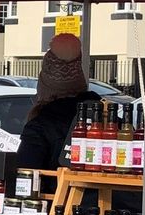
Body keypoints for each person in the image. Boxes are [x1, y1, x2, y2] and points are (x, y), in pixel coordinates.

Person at [16, 34, 98, 170]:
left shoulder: (41, 125)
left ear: (44, 86)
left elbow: (24, 175)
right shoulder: (106, 118)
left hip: (57, 190)